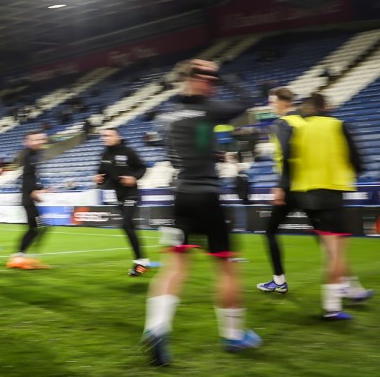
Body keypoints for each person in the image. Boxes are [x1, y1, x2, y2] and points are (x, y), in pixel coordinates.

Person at [141, 59, 260, 367]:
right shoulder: (209, 110)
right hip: (207, 197)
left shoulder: (166, 118)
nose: (213, 85)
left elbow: (182, 151)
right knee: (227, 268)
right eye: (209, 80)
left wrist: (210, 152)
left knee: (175, 267)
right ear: (196, 80)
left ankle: (156, 328)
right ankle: (234, 336)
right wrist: (224, 73)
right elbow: (248, 102)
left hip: (180, 197)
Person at [278, 93, 372, 319]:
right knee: (337, 251)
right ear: (324, 106)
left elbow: (288, 160)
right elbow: (359, 161)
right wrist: (345, 173)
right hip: (330, 192)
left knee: (331, 248)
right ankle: (333, 306)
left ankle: (348, 291)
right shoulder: (338, 125)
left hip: (305, 195)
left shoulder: (299, 128)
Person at [256, 87, 303, 294]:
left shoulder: (281, 124)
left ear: (284, 102)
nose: (270, 105)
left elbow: (287, 155)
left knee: (269, 231)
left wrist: (281, 187)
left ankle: (279, 280)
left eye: (272, 101)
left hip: (292, 188)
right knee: (327, 237)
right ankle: (345, 285)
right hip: (312, 186)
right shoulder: (303, 121)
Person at [95, 127, 149, 276]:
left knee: (126, 224)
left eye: (109, 135)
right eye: (103, 136)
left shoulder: (128, 152)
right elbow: (102, 174)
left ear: (117, 137)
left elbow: (142, 168)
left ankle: (141, 262)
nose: (105, 138)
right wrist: (99, 179)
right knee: (129, 227)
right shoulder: (104, 155)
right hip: (117, 196)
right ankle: (142, 260)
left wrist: (134, 178)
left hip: (131, 194)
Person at [7, 132, 50, 270]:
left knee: (36, 228)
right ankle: (21, 257)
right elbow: (27, 178)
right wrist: (33, 191)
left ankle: (20, 257)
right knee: (38, 228)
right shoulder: (28, 155)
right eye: (35, 139)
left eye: (41, 139)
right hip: (28, 198)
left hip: (29, 197)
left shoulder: (33, 156)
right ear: (27, 142)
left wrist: (40, 188)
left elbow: (32, 177)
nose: (40, 141)